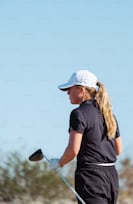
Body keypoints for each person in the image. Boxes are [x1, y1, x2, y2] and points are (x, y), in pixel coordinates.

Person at [49, 70, 122, 204]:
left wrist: (59, 163)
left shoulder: (78, 114)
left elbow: (73, 151)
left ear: (81, 90)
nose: (67, 93)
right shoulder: (108, 113)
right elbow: (118, 150)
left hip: (91, 178)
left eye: (70, 89)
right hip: (111, 177)